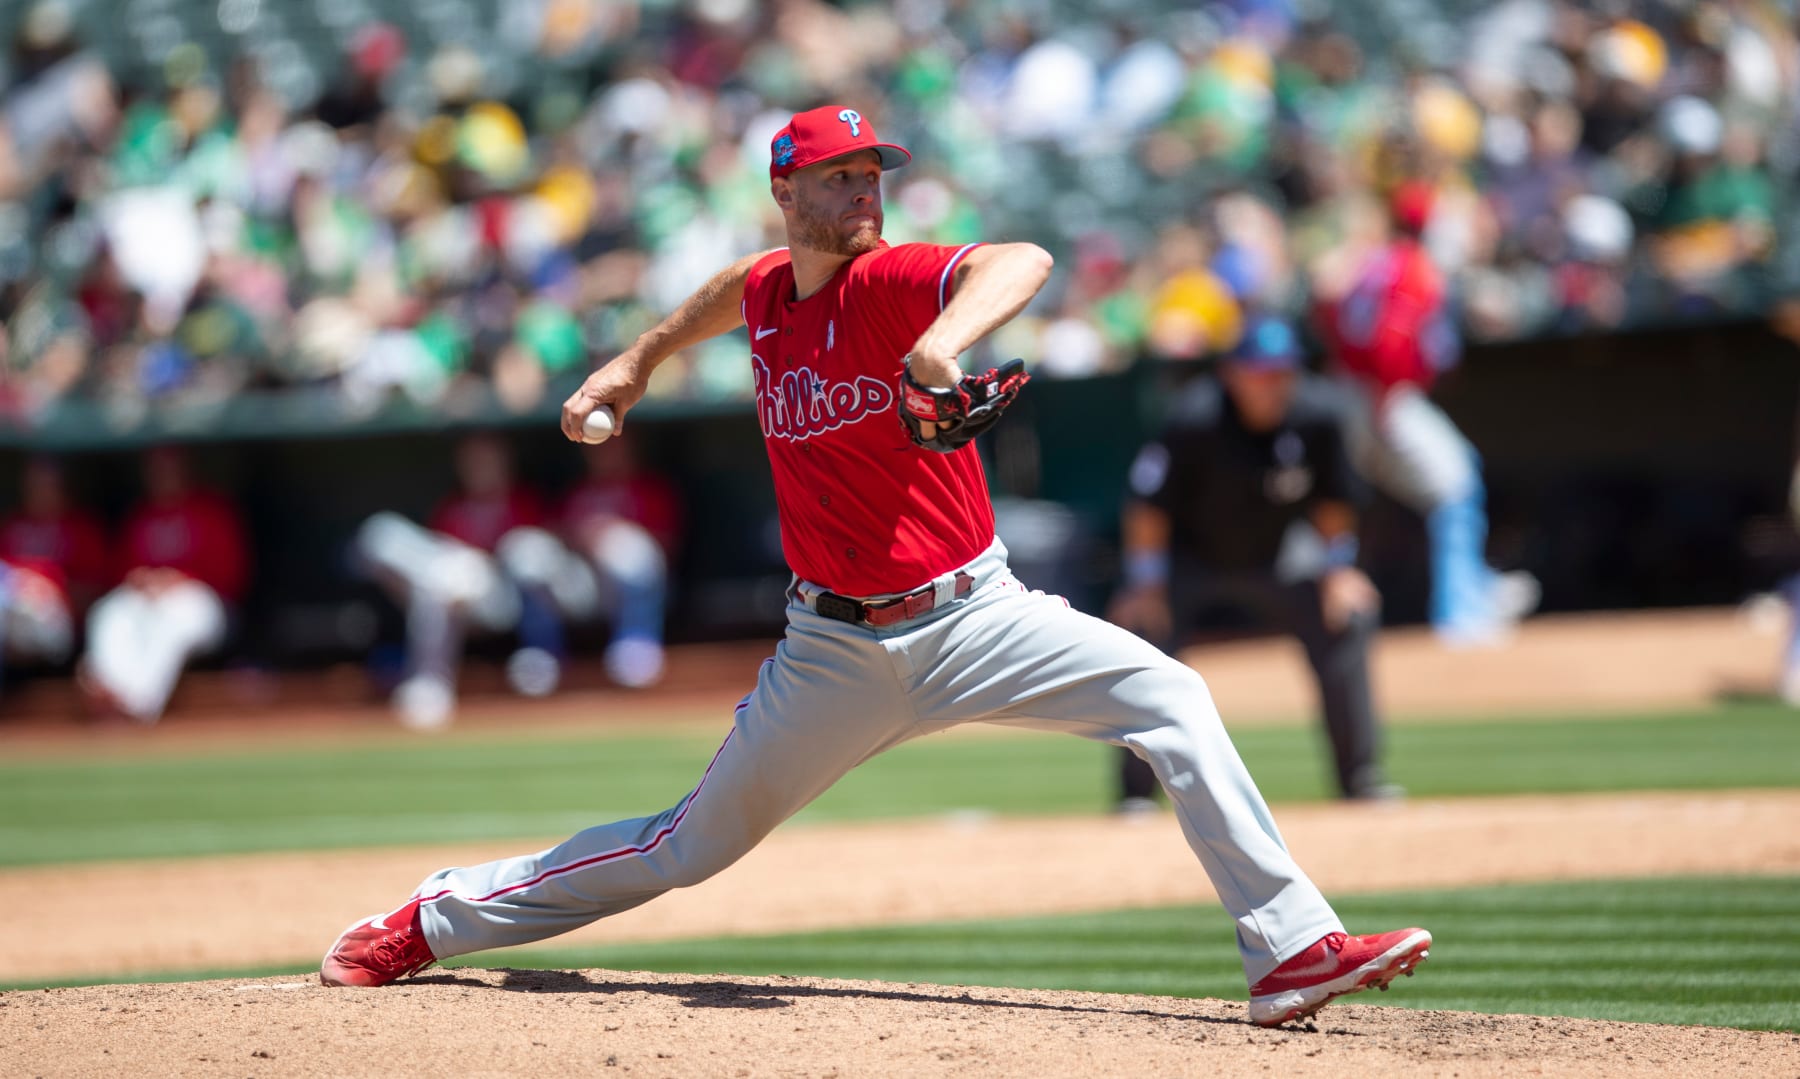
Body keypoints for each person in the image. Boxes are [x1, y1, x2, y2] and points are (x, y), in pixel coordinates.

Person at [321, 105, 1432, 1028]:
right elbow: (734, 288)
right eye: (840, 177)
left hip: (979, 615)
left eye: (873, 174)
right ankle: (438, 916)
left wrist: (943, 342)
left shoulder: (894, 280)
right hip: (835, 649)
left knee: (1172, 696)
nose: (866, 193)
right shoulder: (767, 293)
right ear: (787, 191)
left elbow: (1021, 258)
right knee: (684, 847)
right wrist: (632, 362)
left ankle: (1290, 952)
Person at [1108, 316, 1398, 808]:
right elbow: (1147, 509)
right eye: (1260, 373)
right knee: (1143, 635)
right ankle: (1135, 796)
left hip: (1280, 555)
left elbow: (1333, 506)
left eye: (1283, 373)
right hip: (1191, 559)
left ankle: (1360, 779)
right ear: (1232, 374)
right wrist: (1145, 584)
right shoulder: (1194, 417)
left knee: (1348, 617)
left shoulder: (1319, 414)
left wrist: (1340, 569)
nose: (1272, 385)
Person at [1312, 180, 1539, 644]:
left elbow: (1328, 312)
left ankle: (1474, 588)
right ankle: (1463, 611)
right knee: (1454, 486)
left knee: (1355, 496)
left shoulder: (1373, 261)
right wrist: (1381, 399)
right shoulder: (1414, 266)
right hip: (1381, 396)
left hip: (1348, 390)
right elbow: (1390, 343)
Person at [351, 430, 574, 730]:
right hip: (452, 594)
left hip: (504, 600)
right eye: (473, 462)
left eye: (487, 460)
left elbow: (532, 558)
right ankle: (429, 687)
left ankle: (541, 655)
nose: (480, 468)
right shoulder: (454, 507)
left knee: (511, 556)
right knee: (393, 543)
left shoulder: (522, 501)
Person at [79, 445, 249, 723]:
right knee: (110, 610)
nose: (163, 476)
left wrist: (177, 580)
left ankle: (137, 703)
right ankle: (109, 688)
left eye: (170, 469)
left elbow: (231, 576)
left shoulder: (211, 511)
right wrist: (142, 579)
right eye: (156, 471)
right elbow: (118, 571)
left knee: (175, 616)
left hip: (203, 604)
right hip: (148, 599)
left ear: (186, 470)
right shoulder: (141, 516)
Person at [554, 437, 683, 689]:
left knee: (628, 551)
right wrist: (586, 537)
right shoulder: (579, 493)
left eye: (612, 447)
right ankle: (546, 654)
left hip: (645, 589)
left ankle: (637, 643)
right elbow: (560, 539)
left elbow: (665, 547)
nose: (605, 454)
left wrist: (612, 535)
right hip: (589, 585)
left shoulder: (649, 489)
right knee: (536, 558)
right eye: (598, 448)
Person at [0, 455, 108, 690]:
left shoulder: (80, 528)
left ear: (63, 488)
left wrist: (51, 590)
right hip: (12, 617)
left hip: (55, 622)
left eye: (46, 485)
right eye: (34, 485)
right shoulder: (13, 526)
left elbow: (94, 593)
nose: (39, 491)